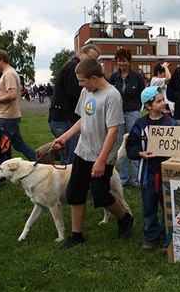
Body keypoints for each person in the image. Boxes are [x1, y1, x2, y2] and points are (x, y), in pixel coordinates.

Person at [52, 57, 134, 249]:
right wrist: (64, 137)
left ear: (95, 78)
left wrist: (101, 161)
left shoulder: (112, 96)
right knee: (75, 193)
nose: (80, 84)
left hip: (101, 155)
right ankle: (76, 236)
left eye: (82, 80)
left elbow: (113, 130)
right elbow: (83, 120)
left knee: (101, 195)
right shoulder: (86, 92)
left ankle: (125, 218)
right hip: (83, 151)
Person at [126, 85, 177, 251]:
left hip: (167, 172)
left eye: (163, 100)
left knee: (167, 206)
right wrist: (140, 153)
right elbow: (131, 146)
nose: (163, 103)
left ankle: (165, 239)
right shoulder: (140, 125)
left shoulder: (172, 123)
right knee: (149, 207)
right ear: (148, 106)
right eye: (159, 101)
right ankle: (150, 238)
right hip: (148, 173)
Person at [0, 49, 36, 188]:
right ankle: (39, 162)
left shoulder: (8, 74)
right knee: (18, 144)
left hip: (6, 117)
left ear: (1, 60)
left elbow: (12, 95)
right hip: (10, 116)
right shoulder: (9, 73)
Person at [49, 44, 101, 165]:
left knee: (69, 155)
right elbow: (75, 95)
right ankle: (68, 182)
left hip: (63, 117)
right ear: (81, 53)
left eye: (95, 60)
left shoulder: (71, 66)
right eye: (90, 58)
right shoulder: (74, 68)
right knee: (70, 158)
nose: (92, 62)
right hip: (65, 118)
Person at [109, 48, 145, 188]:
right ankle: (124, 179)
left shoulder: (137, 77)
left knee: (135, 143)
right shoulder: (113, 77)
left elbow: (142, 95)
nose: (121, 63)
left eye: (124, 60)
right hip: (117, 114)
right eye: (119, 60)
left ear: (129, 61)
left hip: (133, 113)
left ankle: (137, 179)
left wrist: (140, 108)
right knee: (120, 146)